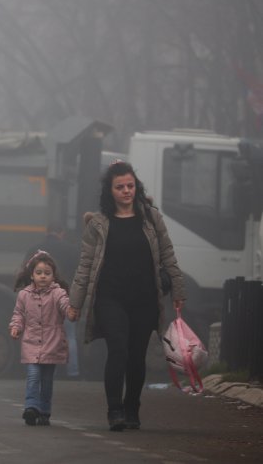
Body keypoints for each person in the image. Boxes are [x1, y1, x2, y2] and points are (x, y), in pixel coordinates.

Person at [67, 160, 186, 431]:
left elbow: (168, 255)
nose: (126, 191)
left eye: (130, 186)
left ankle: (132, 408)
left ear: (137, 187)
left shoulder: (151, 218)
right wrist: (75, 303)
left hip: (144, 299)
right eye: (120, 187)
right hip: (110, 298)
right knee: (118, 349)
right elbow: (85, 266)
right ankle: (115, 410)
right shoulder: (98, 225)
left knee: (136, 355)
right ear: (110, 191)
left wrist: (178, 290)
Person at [9, 250, 72, 427]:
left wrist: (71, 311)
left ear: (53, 276)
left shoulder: (58, 293)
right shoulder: (24, 295)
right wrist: (15, 327)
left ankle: (44, 411)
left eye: (47, 273)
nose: (43, 276)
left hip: (52, 344)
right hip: (31, 343)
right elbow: (18, 314)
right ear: (32, 275)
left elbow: (66, 306)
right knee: (33, 375)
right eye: (39, 273)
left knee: (47, 381)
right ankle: (31, 407)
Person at [24, 223, 80, 378]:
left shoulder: (35, 250)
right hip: (65, 296)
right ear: (61, 233)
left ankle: (40, 371)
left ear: (47, 232)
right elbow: (80, 274)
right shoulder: (71, 250)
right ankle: (72, 372)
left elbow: (25, 272)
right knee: (69, 335)